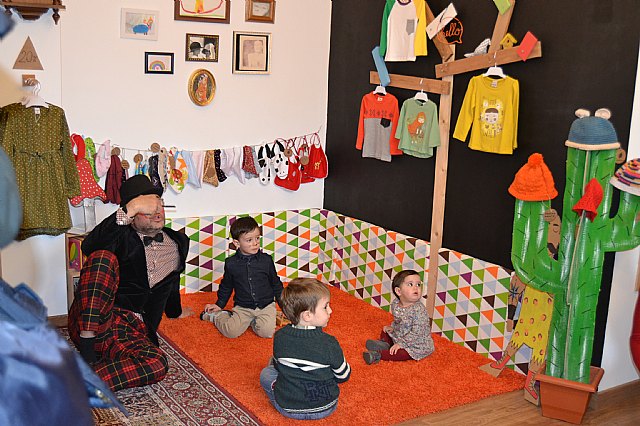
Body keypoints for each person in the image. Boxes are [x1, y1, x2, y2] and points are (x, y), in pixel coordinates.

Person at [67, 174, 191, 391]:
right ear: (132, 216)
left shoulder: (179, 242)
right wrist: (130, 208)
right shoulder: (118, 237)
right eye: (148, 209)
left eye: (159, 205)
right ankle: (87, 352)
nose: (157, 212)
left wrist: (175, 311)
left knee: (157, 363)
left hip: (131, 331)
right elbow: (89, 247)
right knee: (102, 258)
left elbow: (172, 282)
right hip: (97, 320)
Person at [259, 278, 351, 420]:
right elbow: (343, 376)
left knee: (266, 373)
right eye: (325, 307)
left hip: (290, 409)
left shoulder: (280, 337)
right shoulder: (329, 343)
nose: (330, 310)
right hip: (326, 407)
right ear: (307, 315)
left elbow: (278, 367)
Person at [201, 216, 283, 338]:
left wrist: (285, 306)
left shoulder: (266, 260)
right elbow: (226, 286)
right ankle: (218, 316)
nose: (255, 243)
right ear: (237, 243)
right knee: (231, 332)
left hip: (266, 305)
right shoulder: (231, 263)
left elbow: (276, 284)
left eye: (257, 238)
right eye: (249, 240)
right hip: (243, 306)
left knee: (266, 333)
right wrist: (219, 305)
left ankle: (258, 320)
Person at [363, 269, 435, 364]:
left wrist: (401, 344)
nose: (416, 288)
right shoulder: (395, 304)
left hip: (417, 343)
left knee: (403, 353)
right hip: (401, 333)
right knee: (385, 330)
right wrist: (392, 327)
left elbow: (417, 333)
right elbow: (398, 321)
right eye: (410, 284)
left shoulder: (419, 310)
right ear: (398, 291)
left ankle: (378, 355)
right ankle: (385, 344)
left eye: (418, 284)